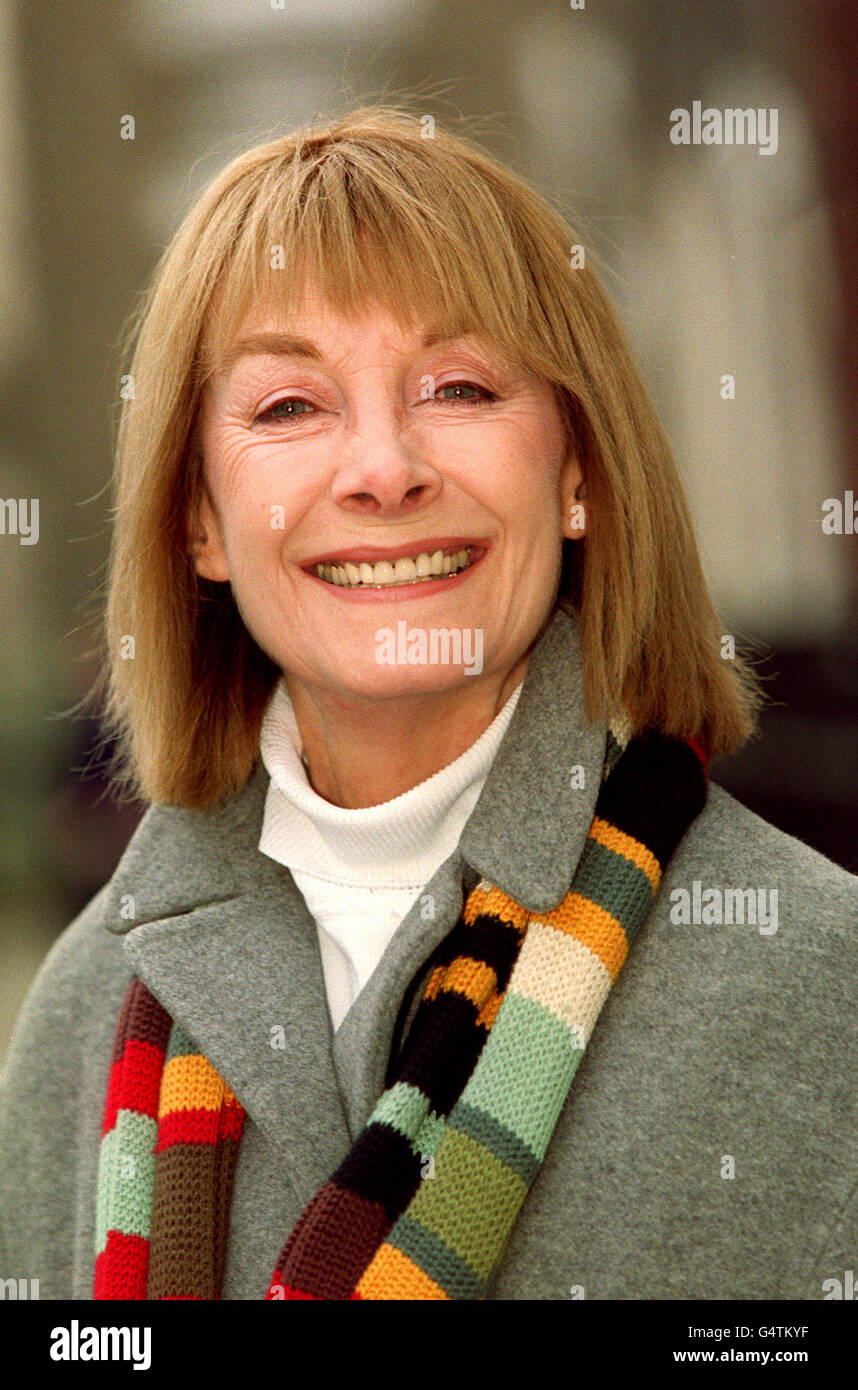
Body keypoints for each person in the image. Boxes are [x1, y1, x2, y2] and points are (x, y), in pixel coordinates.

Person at [1, 107, 856, 1302]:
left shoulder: (821, 985)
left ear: (576, 475)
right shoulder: (78, 1022)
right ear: (199, 519)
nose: (383, 467)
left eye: (457, 386)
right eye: (289, 407)